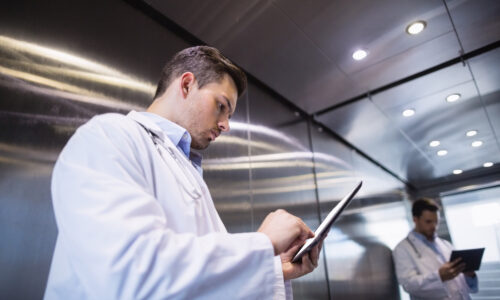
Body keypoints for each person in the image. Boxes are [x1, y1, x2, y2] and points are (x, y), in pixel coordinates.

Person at [44, 46, 323, 299]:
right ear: (187, 84)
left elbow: (202, 286)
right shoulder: (108, 136)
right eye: (221, 106)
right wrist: (262, 244)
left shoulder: (188, 173)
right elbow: (131, 274)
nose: (226, 125)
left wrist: (273, 268)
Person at [393, 198, 478, 300]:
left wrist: (469, 275)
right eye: (428, 222)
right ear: (415, 219)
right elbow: (409, 285)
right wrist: (439, 276)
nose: (434, 226)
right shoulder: (402, 249)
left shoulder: (445, 244)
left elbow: (462, 286)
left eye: (436, 222)